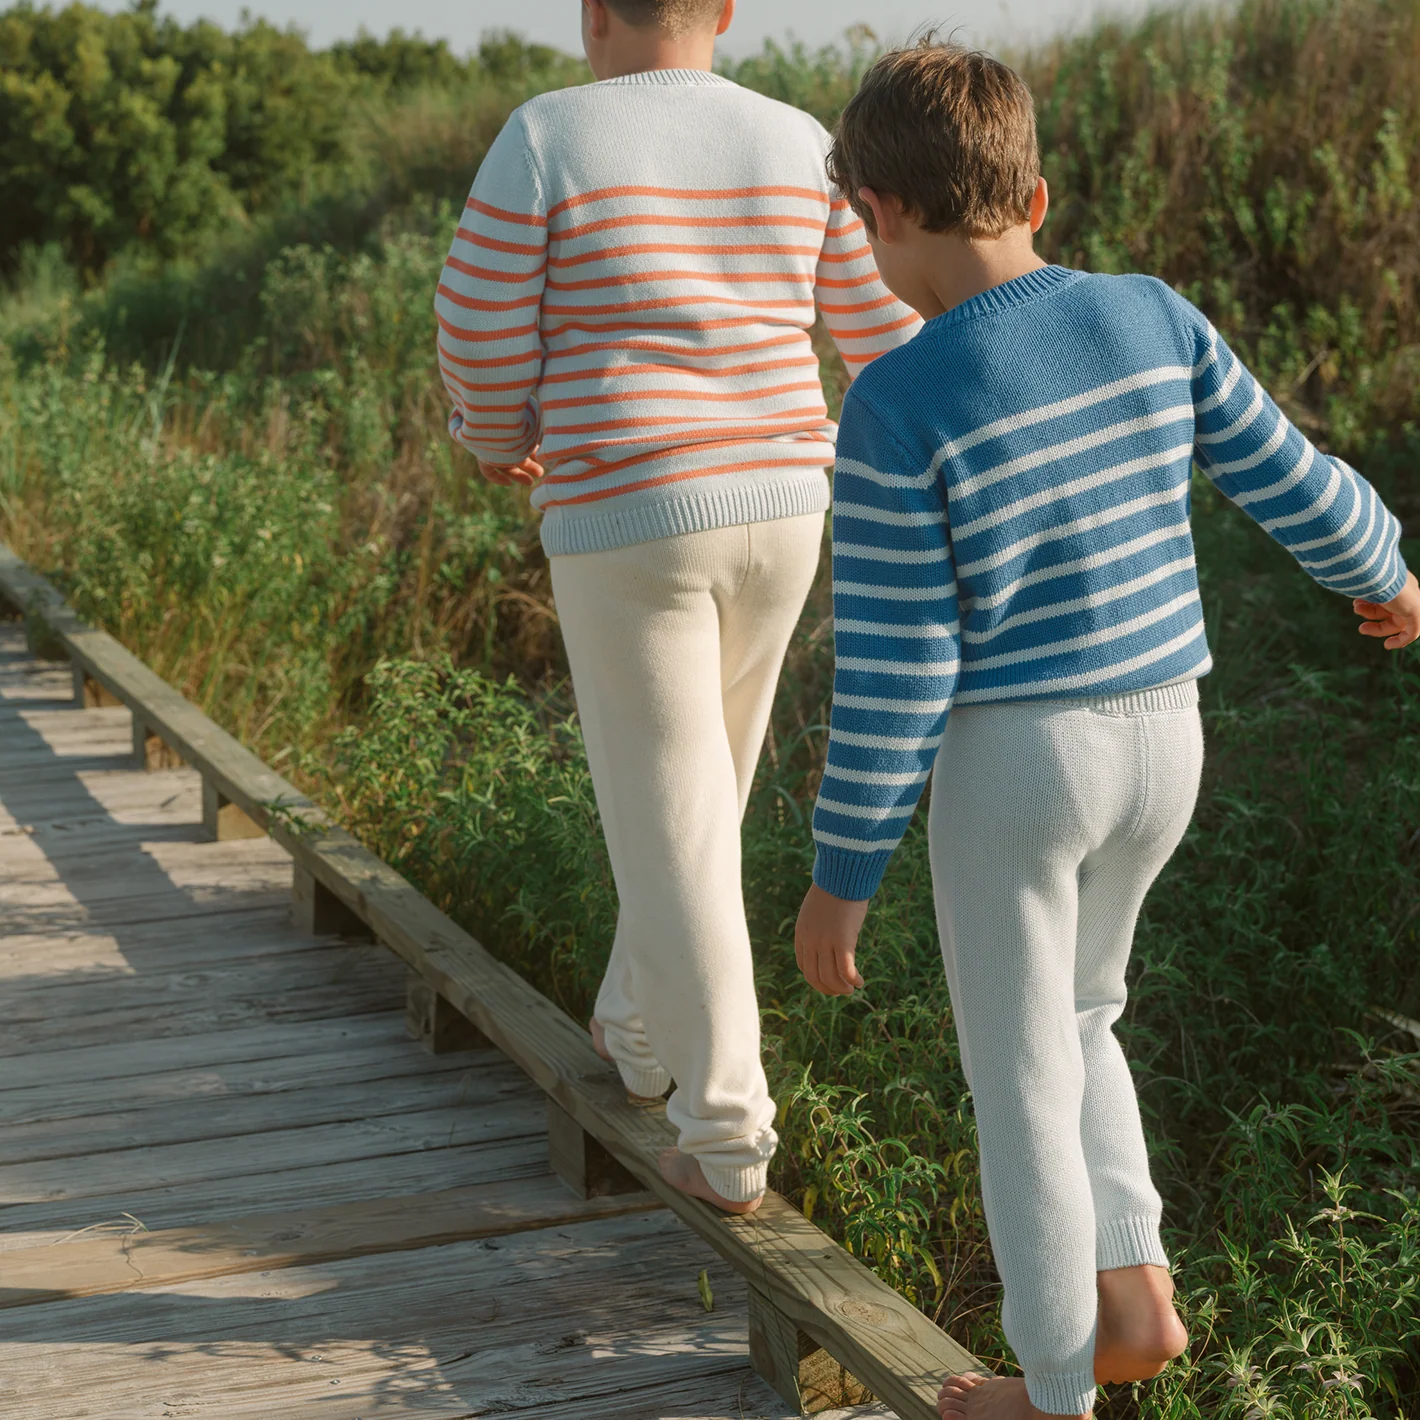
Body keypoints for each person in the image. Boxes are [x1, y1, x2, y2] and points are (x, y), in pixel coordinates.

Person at [791, 40, 1419, 1420]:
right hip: (1164, 742)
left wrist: (844, 875)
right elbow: (1289, 472)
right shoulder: (1149, 314)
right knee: (1085, 1014)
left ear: (877, 212)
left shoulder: (896, 402)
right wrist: (1384, 569)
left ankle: (1056, 1393)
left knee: (1015, 1077)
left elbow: (899, 669)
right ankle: (1133, 1298)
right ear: (1043, 197)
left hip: (1024, 764)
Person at [434, 0, 920, 1214]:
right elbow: (877, 331)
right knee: (703, 800)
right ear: (725, 11)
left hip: (632, 510)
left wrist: (494, 440)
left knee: (672, 819)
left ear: (594, 13)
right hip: (781, 502)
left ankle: (726, 1134)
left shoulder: (548, 135)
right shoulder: (796, 137)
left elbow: (478, 328)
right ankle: (636, 1030)